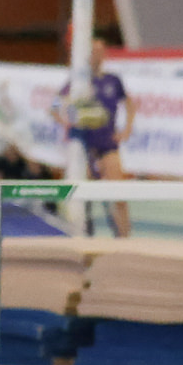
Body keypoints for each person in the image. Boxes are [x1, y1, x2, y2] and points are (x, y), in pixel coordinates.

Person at [60, 55, 135, 237]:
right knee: (83, 197)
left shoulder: (112, 80)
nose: (95, 56)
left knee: (119, 195)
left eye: (99, 52)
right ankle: (84, 236)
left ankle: (125, 238)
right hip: (84, 148)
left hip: (107, 145)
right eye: (92, 52)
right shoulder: (78, 82)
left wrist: (127, 130)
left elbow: (130, 103)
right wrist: (66, 120)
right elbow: (55, 104)